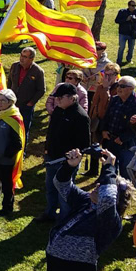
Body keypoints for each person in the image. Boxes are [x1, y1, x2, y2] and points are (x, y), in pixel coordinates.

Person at [37, 83, 91, 223]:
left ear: (72, 98)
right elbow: (51, 131)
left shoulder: (80, 116)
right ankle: (50, 213)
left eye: (60, 98)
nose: (57, 100)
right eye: (56, 97)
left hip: (66, 162)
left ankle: (64, 219)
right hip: (52, 156)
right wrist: (47, 147)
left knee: (64, 192)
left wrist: (71, 158)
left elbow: (84, 144)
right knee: (50, 188)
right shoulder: (58, 110)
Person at [102, 76, 136, 178]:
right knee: (109, 167)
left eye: (122, 86)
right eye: (118, 85)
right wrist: (104, 130)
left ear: (131, 88)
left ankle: (125, 192)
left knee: (125, 171)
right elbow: (107, 116)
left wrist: (123, 138)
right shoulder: (114, 100)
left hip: (127, 144)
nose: (119, 88)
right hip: (110, 139)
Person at [9, 47, 46, 142]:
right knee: (10, 127)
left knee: (23, 129)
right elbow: (9, 81)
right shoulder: (14, 66)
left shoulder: (38, 71)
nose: (21, 58)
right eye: (21, 55)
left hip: (26, 106)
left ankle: (22, 151)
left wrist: (31, 103)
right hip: (12, 104)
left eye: (25, 57)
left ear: (31, 59)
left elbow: (41, 90)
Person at [115, 0, 136, 65]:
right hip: (123, 33)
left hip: (132, 33)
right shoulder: (122, 12)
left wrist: (135, 19)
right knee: (121, 47)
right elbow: (117, 20)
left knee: (131, 48)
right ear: (129, 6)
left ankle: (129, 59)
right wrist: (126, 19)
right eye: (132, 6)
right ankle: (119, 60)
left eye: (135, 6)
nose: (134, 7)